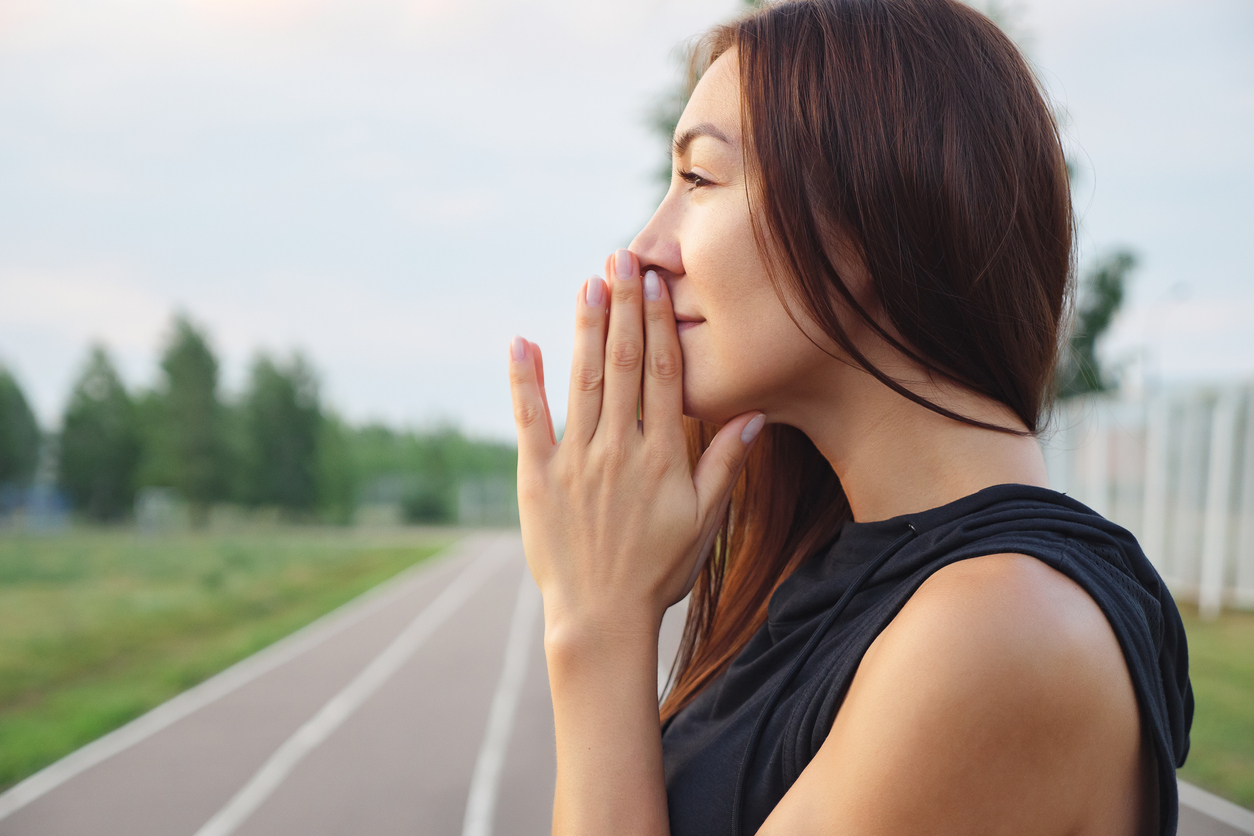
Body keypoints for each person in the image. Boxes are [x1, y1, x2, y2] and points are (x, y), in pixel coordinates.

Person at [506, 0, 1192, 833]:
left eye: (698, 180)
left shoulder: (998, 631)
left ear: (868, 217)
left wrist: (596, 625)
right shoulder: (845, 575)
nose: (644, 250)